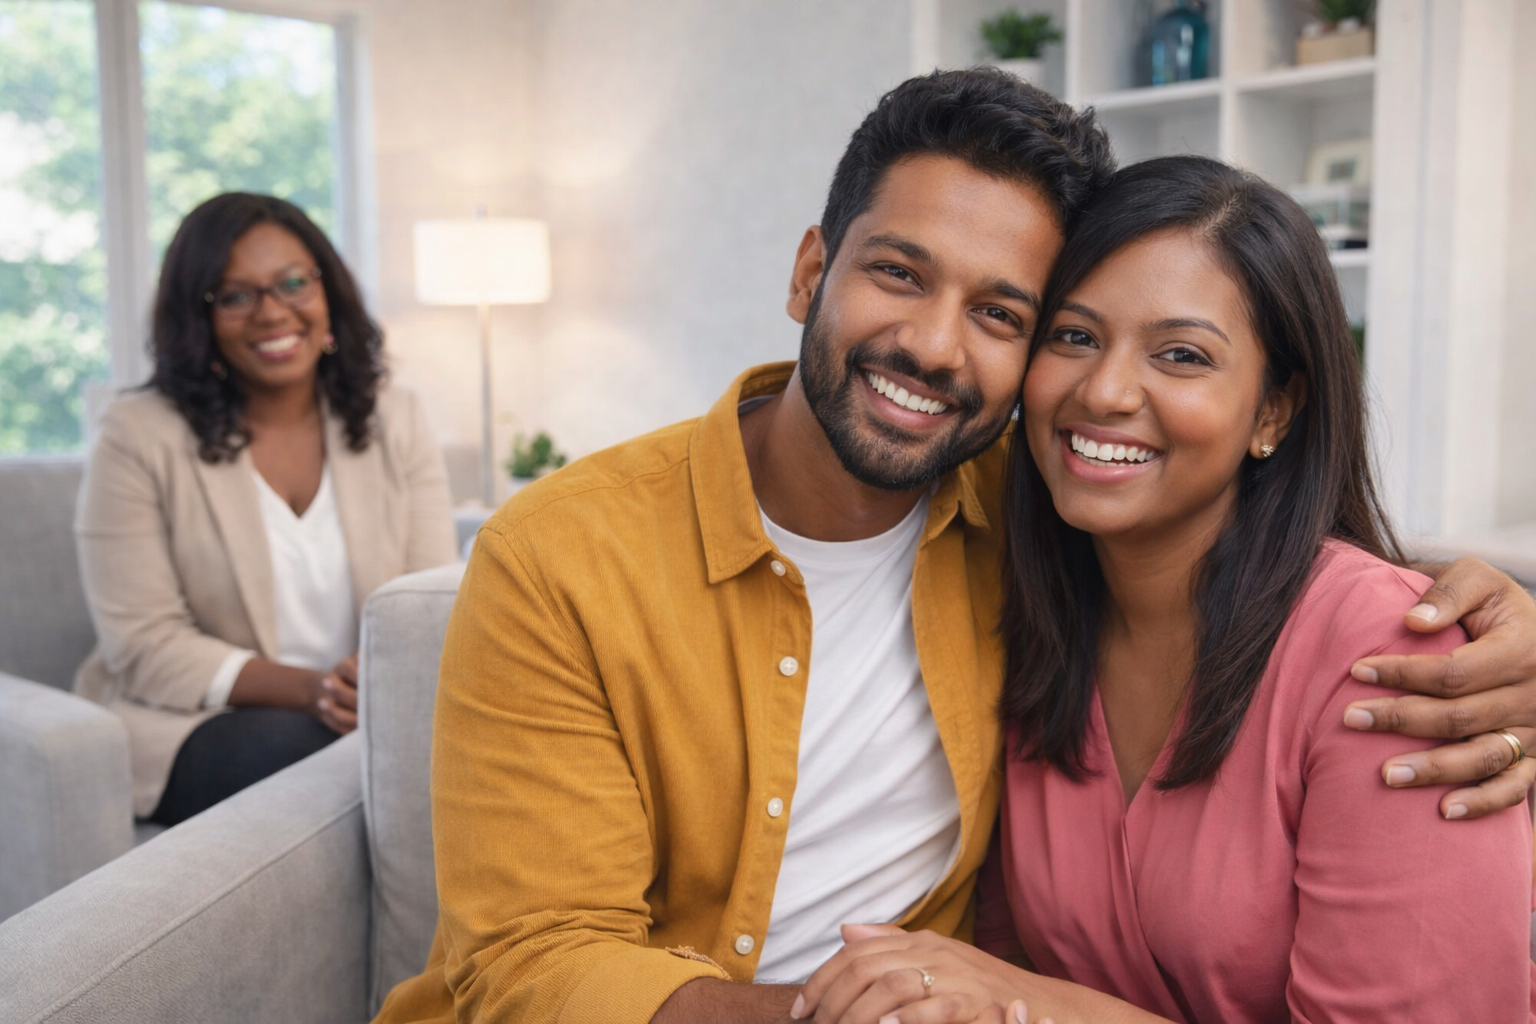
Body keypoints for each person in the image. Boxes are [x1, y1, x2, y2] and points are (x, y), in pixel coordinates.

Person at [374, 71, 1536, 1024]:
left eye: (1003, 314)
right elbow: (532, 959)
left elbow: (1279, 556)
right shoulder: (565, 552)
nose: (933, 346)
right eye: (898, 272)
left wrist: (1493, 613)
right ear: (808, 270)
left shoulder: (1042, 512)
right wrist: (868, 1011)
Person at [793, 157, 1535, 1023]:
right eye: (1072, 336)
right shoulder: (1024, 604)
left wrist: (1039, 1004)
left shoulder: (1389, 659)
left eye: (1181, 355)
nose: (1103, 393)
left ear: (1274, 411)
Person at [75, 192, 458, 827]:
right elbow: (143, 643)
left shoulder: (395, 417)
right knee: (314, 757)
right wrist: (318, 692)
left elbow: (428, 600)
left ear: (326, 290)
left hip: (374, 711)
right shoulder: (136, 435)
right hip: (200, 721)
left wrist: (375, 685)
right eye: (235, 296)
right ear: (200, 318)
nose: (273, 312)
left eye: (291, 283)